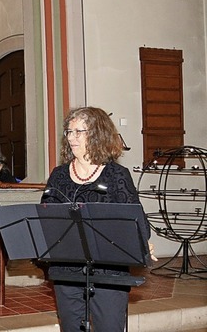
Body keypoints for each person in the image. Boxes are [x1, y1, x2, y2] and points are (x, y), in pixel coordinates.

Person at [40, 106, 152, 331]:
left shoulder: (117, 176)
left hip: (108, 270)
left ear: (97, 134)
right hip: (67, 269)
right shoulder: (58, 175)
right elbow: (46, 220)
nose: (72, 138)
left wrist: (140, 241)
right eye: (69, 132)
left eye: (79, 131)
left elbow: (138, 223)